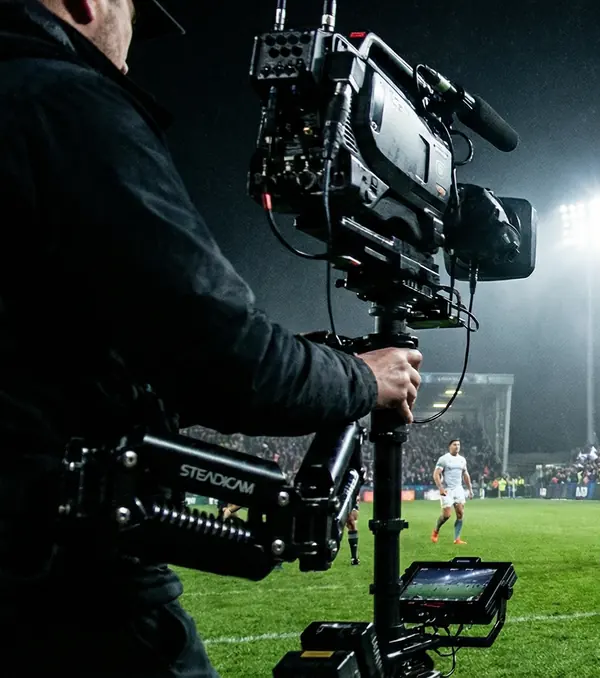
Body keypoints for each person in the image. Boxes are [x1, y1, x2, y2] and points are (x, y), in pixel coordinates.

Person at [0, 1, 427, 674]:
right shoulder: (60, 99)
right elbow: (223, 361)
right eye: (132, 15)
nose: (131, 49)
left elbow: (96, 354)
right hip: (62, 590)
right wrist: (366, 379)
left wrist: (311, 359)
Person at [431, 439, 471, 545]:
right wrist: (440, 488)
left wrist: (470, 489)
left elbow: (465, 475)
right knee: (447, 515)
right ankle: (436, 530)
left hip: (458, 489)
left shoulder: (462, 460)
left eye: (458, 444)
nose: (457, 446)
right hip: (447, 490)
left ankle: (457, 539)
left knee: (460, 514)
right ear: (450, 446)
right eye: (454, 444)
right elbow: (436, 474)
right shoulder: (444, 459)